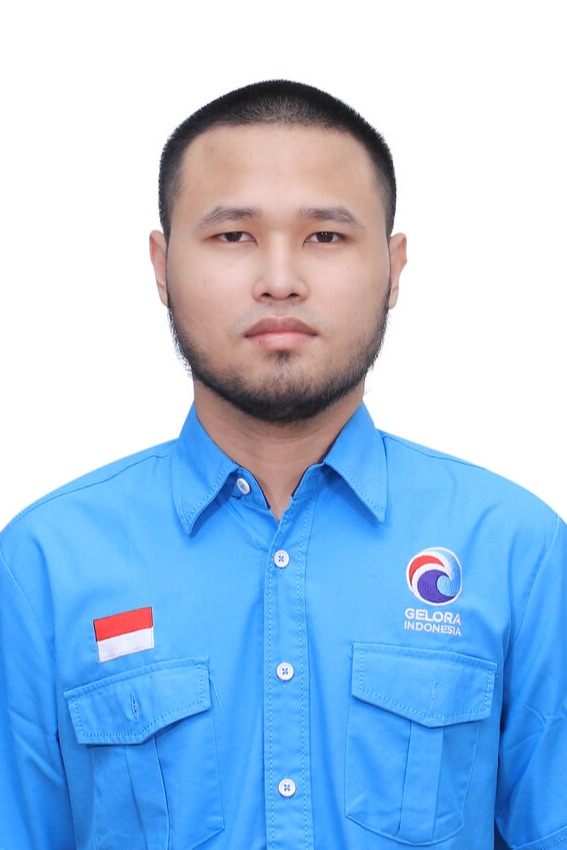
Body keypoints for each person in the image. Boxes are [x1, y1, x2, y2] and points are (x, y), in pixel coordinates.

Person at [0, 80, 565, 850]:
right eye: (233, 235)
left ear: (394, 267)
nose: (278, 278)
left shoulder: (517, 550)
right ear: (161, 266)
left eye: (324, 237)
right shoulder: (43, 565)